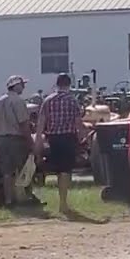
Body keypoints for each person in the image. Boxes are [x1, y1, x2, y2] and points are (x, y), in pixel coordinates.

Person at [35, 73, 86, 213]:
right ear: (69, 84)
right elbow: (78, 122)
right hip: (68, 137)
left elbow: (41, 122)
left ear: (57, 84)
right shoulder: (72, 101)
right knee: (65, 171)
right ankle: (63, 203)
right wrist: (83, 137)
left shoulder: (48, 100)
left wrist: (38, 140)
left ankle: (61, 201)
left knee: (58, 170)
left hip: (53, 138)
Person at [0, 75, 34, 208]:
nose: (23, 87)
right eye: (22, 84)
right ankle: (27, 196)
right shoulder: (19, 101)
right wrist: (30, 141)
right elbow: (23, 123)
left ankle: (8, 199)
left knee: (7, 171)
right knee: (25, 168)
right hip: (16, 139)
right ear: (16, 86)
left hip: (0, 139)